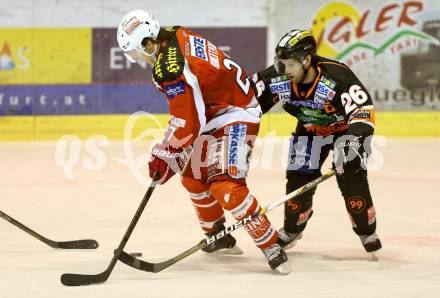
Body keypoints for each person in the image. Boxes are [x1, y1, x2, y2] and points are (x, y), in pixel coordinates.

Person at [116, 10, 291, 274]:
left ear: (148, 43)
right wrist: (172, 152)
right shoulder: (173, 32)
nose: (137, 59)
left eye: (136, 52)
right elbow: (192, 111)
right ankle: (218, 236)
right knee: (193, 177)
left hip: (235, 112)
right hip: (214, 110)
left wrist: (167, 152)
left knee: (226, 186)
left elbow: (188, 120)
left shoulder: (169, 68)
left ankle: (270, 244)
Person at [251, 29, 382, 254]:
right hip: (310, 131)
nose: (284, 70)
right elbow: (245, 103)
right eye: (280, 63)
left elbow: (362, 113)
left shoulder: (337, 78)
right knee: (298, 177)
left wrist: (351, 144)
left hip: (345, 132)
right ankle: (292, 229)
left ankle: (366, 231)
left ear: (307, 59)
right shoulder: (276, 78)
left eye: (291, 64)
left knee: (350, 176)